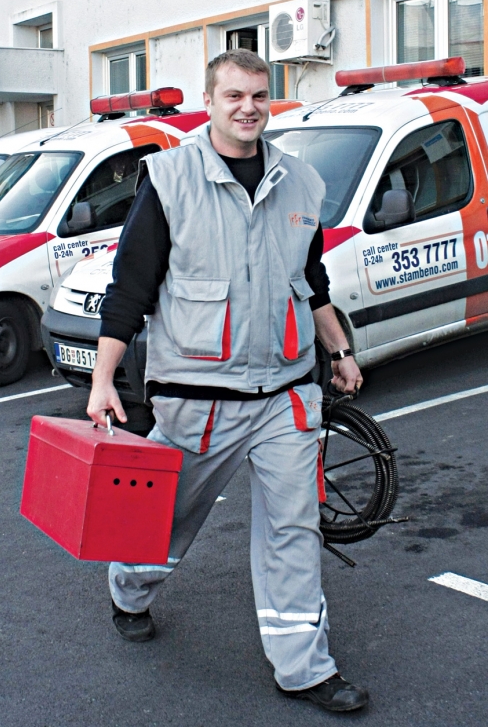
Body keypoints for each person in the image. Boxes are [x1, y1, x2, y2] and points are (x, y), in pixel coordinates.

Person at [87, 48, 368, 714]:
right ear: (210, 103)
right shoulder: (170, 181)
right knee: (166, 523)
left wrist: (340, 351)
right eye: (234, 95)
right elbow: (130, 290)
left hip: (284, 398)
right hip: (197, 401)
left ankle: (305, 667)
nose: (248, 108)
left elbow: (312, 282)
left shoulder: (300, 183)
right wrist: (102, 381)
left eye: (258, 96)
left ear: (269, 102)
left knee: (294, 530)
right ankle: (130, 588)